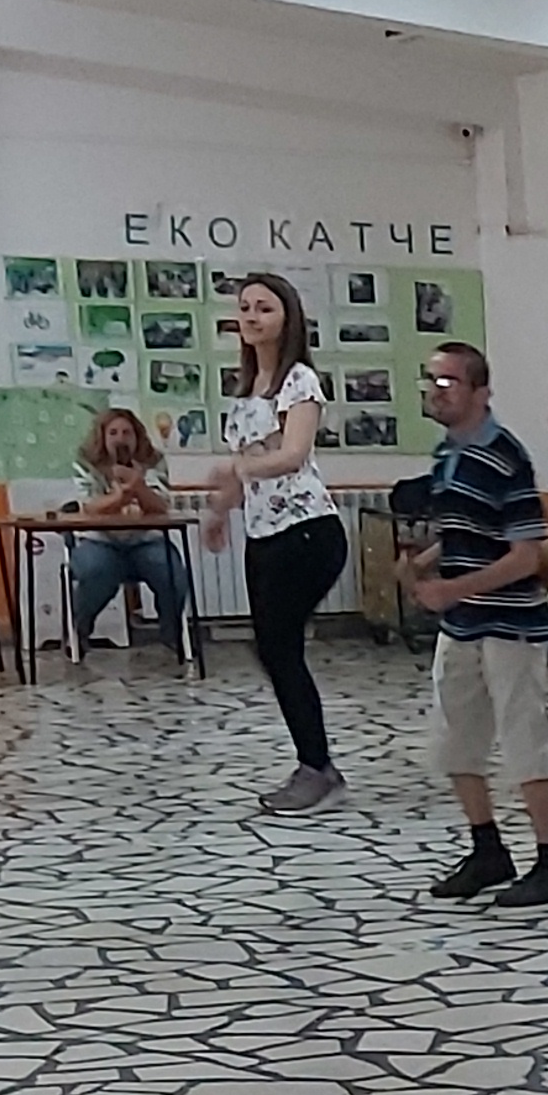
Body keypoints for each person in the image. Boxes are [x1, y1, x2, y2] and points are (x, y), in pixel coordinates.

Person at [406, 343, 548, 906]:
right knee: (456, 741)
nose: (435, 391)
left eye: (448, 382)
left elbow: (525, 555)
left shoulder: (505, 458)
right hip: (463, 625)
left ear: (481, 392)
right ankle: (487, 849)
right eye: (430, 380)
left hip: (510, 626)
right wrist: (426, 564)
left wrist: (451, 589)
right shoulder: (446, 455)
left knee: (524, 741)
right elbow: (465, 531)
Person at [200, 272, 347, 815]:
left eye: (265, 307)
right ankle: (315, 763)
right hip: (263, 533)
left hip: (307, 530)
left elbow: (291, 454)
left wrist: (235, 468)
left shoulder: (299, 380)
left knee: (279, 648)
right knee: (272, 648)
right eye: (245, 307)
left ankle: (317, 768)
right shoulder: (245, 393)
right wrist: (220, 510)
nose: (252, 316)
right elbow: (247, 468)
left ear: (287, 318)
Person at [58, 408, 187, 654]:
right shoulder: (86, 463)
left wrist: (138, 486)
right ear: (102, 437)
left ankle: (173, 635)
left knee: (171, 573)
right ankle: (78, 632)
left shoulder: (153, 461)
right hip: (100, 541)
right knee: (96, 571)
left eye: (127, 433)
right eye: (113, 433)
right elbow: (88, 507)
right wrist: (119, 497)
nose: (120, 439)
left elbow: (161, 506)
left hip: (146, 541)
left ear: (137, 437)